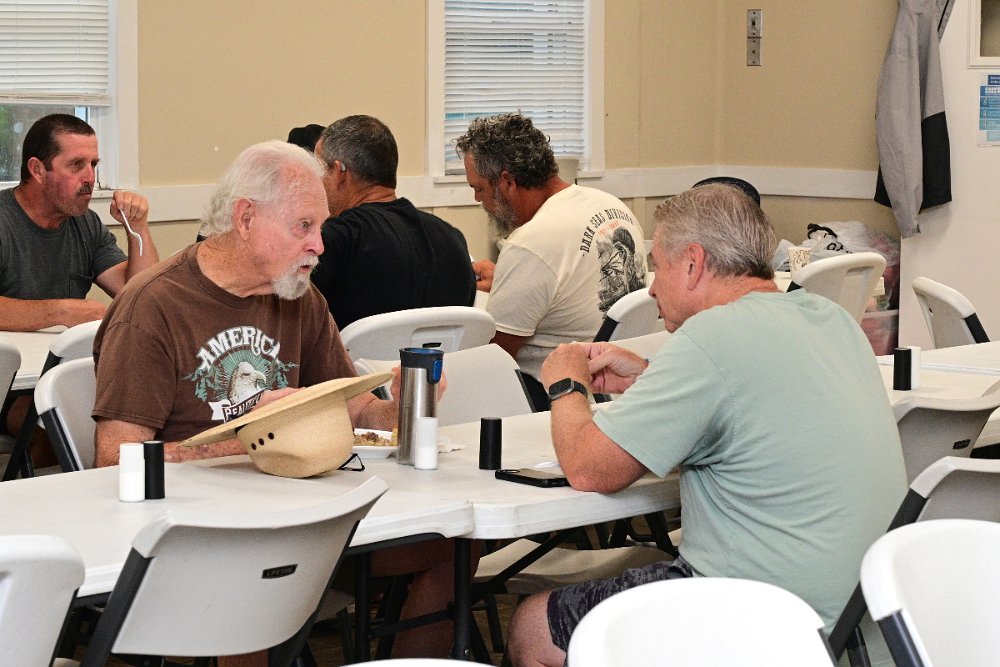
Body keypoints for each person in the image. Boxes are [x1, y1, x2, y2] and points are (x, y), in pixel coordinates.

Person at [505, 183, 907, 666]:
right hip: (865, 618)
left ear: (693, 263)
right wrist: (652, 380)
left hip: (759, 619)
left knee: (533, 625)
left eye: (659, 266)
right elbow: (751, 410)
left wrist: (565, 384)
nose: (651, 287)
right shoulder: (831, 318)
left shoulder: (709, 338)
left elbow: (590, 469)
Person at [92, 140, 464, 662]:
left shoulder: (299, 296)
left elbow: (358, 413)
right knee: (255, 585)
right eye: (303, 226)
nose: (320, 245)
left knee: (451, 544)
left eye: (321, 227)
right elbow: (114, 459)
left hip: (300, 516)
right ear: (245, 218)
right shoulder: (154, 305)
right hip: (200, 534)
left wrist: (404, 405)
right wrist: (255, 439)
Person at [456, 113, 647, 409]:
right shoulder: (611, 205)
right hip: (616, 387)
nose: (478, 200)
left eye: (479, 188)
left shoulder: (530, 244)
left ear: (507, 181)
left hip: (551, 396)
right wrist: (508, 279)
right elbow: (573, 283)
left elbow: (495, 357)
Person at [312, 115, 475, 329]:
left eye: (317, 170)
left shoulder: (333, 239)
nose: (314, 181)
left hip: (354, 352)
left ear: (340, 172)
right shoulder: (453, 239)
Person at [0, 113, 159, 332]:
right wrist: (60, 312)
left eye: (93, 164)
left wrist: (137, 227)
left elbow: (143, 297)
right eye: (76, 164)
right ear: (37, 170)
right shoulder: (4, 219)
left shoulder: (86, 223)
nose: (90, 178)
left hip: (62, 353)